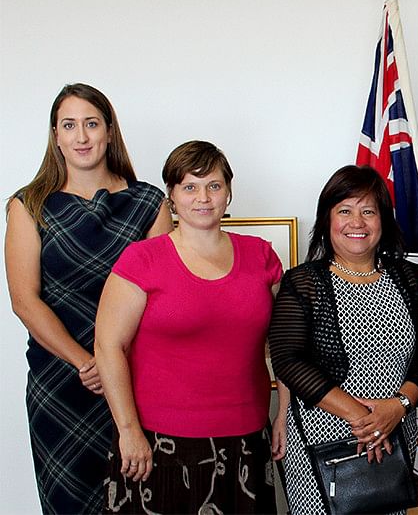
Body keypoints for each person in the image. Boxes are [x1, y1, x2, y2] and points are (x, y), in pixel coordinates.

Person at [4, 83, 171, 513]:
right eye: (70, 126)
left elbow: (167, 296)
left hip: (137, 378)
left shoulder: (149, 203)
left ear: (110, 132)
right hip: (61, 381)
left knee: (144, 499)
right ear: (55, 136)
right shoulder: (30, 206)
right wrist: (85, 361)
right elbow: (25, 301)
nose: (81, 137)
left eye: (92, 124)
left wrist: (114, 361)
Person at [94, 141, 282, 513]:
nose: (203, 197)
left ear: (229, 192)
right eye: (190, 187)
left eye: (213, 185)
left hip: (245, 438)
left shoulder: (261, 256)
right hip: (158, 444)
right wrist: (129, 430)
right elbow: (107, 346)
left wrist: (284, 415)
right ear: (171, 197)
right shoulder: (142, 259)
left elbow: (286, 344)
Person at [268, 165, 418, 514]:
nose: (356, 222)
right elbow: (288, 359)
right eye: (344, 210)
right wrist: (363, 419)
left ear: (383, 220)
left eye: (368, 211)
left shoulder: (409, 276)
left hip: (395, 435)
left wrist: (396, 409)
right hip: (322, 445)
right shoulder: (303, 282)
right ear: (327, 219)